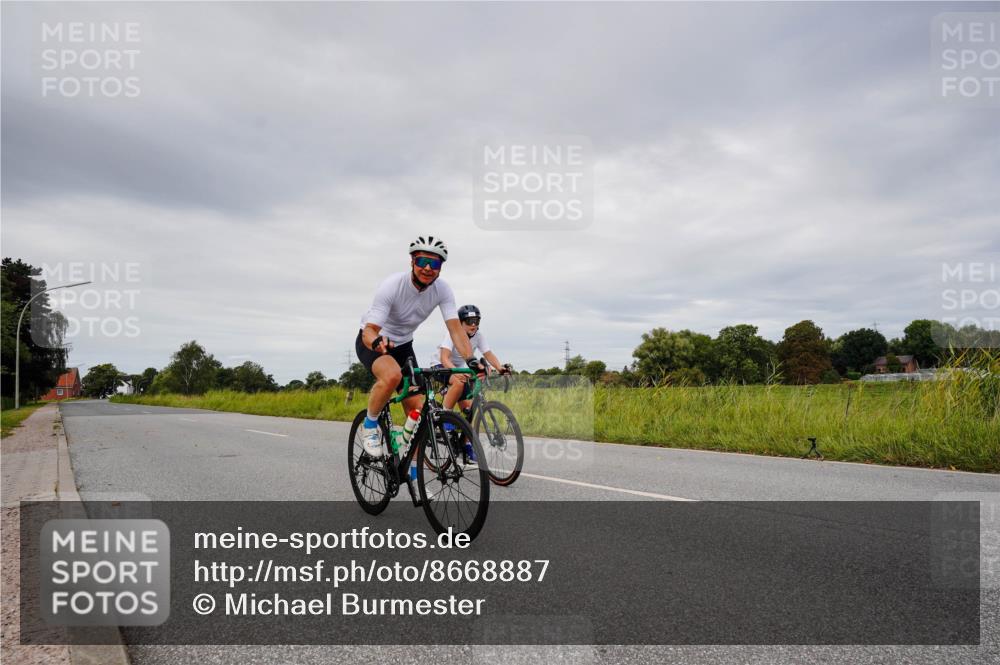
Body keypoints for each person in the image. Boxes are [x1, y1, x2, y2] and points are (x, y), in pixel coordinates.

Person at [356, 235, 480, 457]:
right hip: (376, 342)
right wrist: (376, 340)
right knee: (392, 376)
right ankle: (370, 425)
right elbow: (369, 330)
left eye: (435, 264)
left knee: (418, 412)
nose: (428, 268)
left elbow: (455, 330)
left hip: (404, 346)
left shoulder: (442, 290)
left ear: (441, 268)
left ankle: (413, 479)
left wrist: (471, 360)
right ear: (412, 261)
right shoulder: (393, 285)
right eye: (423, 261)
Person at [434, 304, 511, 414]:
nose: (473, 324)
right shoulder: (451, 334)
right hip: (440, 365)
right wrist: (456, 372)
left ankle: (461, 427)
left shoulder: (478, 336)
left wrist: (500, 368)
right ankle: (445, 418)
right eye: (469, 321)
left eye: (476, 321)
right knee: (458, 382)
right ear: (460, 323)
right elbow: (444, 358)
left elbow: (488, 354)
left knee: (469, 410)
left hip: (459, 368)